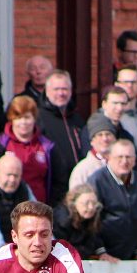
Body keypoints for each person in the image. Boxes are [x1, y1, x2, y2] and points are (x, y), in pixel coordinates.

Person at [90, 139, 137, 260]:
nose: (124, 161)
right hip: (102, 256)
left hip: (131, 255)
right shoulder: (97, 180)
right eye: (119, 157)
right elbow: (91, 220)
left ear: (134, 159)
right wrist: (101, 251)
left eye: (128, 157)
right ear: (109, 157)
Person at [38, 70, 84, 204]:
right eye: (56, 89)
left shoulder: (77, 119)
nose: (61, 93)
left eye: (65, 89)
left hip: (76, 187)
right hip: (53, 188)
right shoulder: (39, 118)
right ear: (47, 91)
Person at [0, 95, 53, 205]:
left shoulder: (47, 146)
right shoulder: (0, 143)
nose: (23, 122)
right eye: (18, 117)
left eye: (27, 117)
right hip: (8, 207)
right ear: (11, 119)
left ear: (34, 119)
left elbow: (58, 182)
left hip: (39, 206)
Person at [53, 183, 118, 263]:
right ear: (73, 204)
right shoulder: (62, 221)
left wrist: (102, 253)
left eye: (94, 203)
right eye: (86, 203)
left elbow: (95, 238)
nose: (91, 208)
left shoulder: (90, 218)